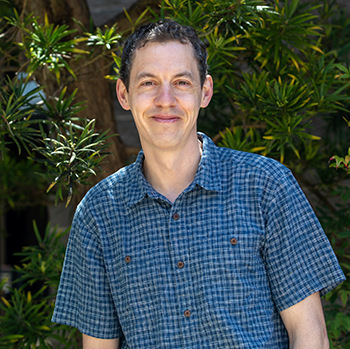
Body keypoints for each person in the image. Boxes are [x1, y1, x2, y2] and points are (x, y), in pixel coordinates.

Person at [52, 19, 345, 348]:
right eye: (148, 83)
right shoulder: (98, 213)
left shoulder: (265, 186)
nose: (166, 99)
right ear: (124, 93)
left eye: (181, 82)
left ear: (204, 91)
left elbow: (311, 335)